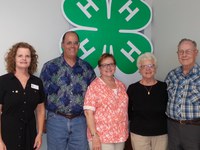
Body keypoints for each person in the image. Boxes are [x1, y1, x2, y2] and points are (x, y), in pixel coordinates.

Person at [40, 31, 96, 150]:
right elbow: (41, 96)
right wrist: (43, 119)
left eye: (75, 43)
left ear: (79, 45)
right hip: (56, 120)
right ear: (62, 44)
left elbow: (94, 97)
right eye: (69, 43)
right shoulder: (49, 66)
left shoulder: (87, 68)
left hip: (80, 122)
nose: (72, 46)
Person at [0, 42, 45, 150]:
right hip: (8, 135)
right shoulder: (3, 81)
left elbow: (40, 110)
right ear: (14, 58)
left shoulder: (37, 82)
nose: (24, 58)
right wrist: (0, 140)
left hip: (30, 134)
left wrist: (39, 134)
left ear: (31, 59)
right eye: (20, 55)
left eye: (27, 56)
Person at [84, 53, 128, 150]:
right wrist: (94, 136)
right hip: (101, 137)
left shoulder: (121, 85)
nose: (108, 67)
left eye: (111, 64)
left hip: (120, 135)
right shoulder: (94, 86)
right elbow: (88, 113)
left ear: (115, 66)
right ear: (99, 68)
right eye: (104, 65)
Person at [127, 52, 168, 150]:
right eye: (144, 66)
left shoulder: (164, 87)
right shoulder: (132, 88)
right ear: (139, 69)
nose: (148, 69)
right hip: (139, 134)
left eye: (150, 65)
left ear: (155, 68)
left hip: (161, 134)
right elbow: (128, 111)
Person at [165, 38, 200, 150]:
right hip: (172, 127)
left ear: (196, 52)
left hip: (194, 129)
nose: (184, 55)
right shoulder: (172, 75)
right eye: (181, 51)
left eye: (188, 51)